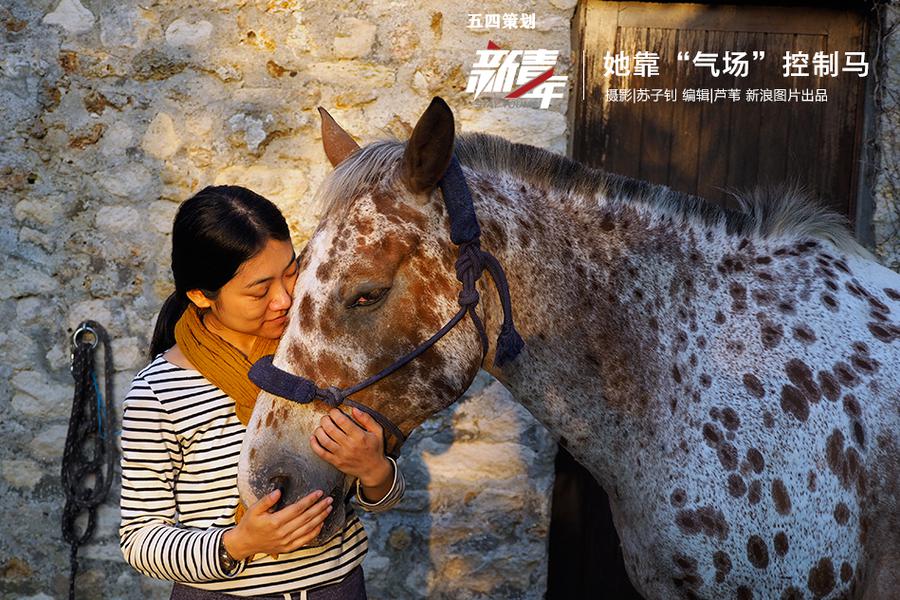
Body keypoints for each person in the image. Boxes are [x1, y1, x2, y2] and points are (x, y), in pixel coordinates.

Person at [119, 185, 404, 599]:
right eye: (259, 290)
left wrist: (375, 471)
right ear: (200, 295)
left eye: (291, 272)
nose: (284, 299)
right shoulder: (159, 393)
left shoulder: (318, 358)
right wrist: (238, 543)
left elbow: (368, 495)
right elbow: (140, 539)